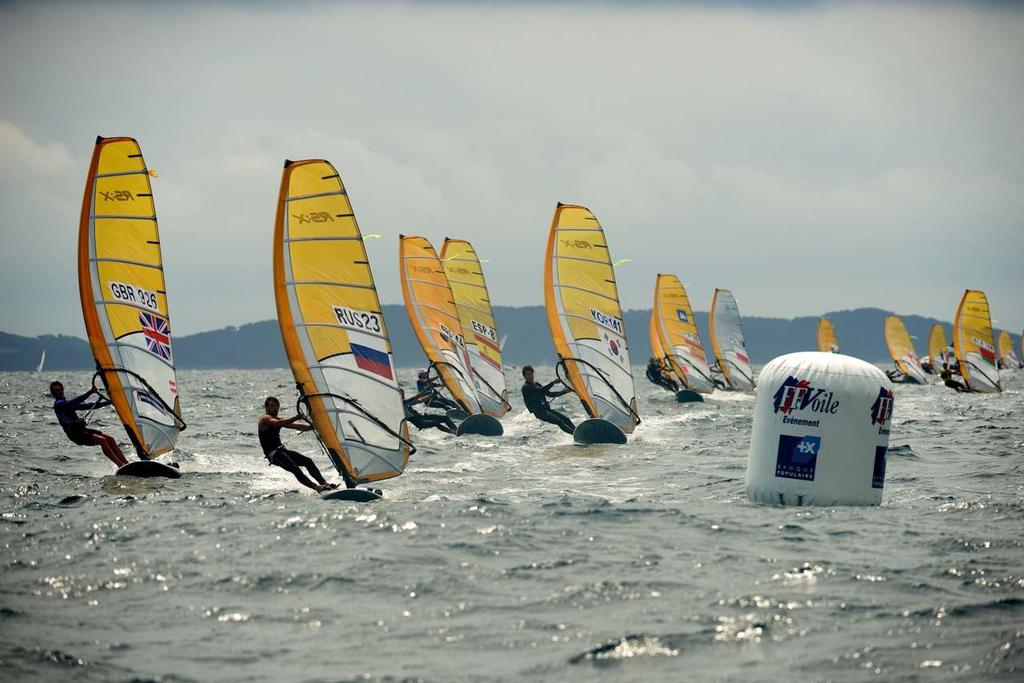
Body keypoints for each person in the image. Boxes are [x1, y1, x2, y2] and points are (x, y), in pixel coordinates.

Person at [258, 396, 336, 492]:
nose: (274, 408)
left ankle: (324, 483)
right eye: (272, 406)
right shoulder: (265, 419)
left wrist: (315, 426)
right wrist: (297, 417)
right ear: (267, 408)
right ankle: (317, 488)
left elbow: (296, 426)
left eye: (276, 406)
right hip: (273, 454)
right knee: (295, 469)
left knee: (308, 461)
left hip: (282, 451)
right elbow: (278, 423)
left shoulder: (278, 419)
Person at [50, 381, 128, 467]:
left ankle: (126, 463)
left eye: (59, 389)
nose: (58, 392)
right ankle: (120, 465)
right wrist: (90, 392)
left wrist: (109, 402)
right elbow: (74, 402)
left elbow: (88, 406)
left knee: (111, 439)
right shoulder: (59, 404)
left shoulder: (67, 404)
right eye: (56, 391)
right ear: (53, 393)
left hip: (82, 431)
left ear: (62, 390)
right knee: (102, 440)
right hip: (75, 434)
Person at [521, 365, 575, 435]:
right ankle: (574, 434)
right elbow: (541, 390)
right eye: (527, 375)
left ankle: (578, 432)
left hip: (546, 410)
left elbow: (550, 394)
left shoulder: (536, 384)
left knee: (566, 419)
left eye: (531, 374)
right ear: (524, 376)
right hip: (539, 412)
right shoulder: (526, 387)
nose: (530, 376)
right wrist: (553, 383)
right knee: (559, 421)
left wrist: (565, 392)